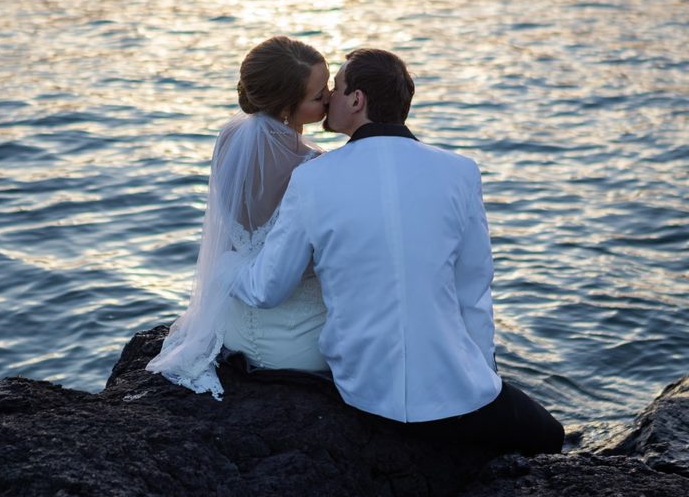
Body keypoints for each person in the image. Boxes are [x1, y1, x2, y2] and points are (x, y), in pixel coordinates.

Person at [230, 48, 564, 456]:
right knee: (551, 437)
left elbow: (267, 289)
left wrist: (227, 268)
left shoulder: (313, 179)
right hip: (457, 395)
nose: (330, 96)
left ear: (357, 100)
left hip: (365, 393)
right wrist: (482, 372)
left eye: (338, 87)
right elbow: (473, 289)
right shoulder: (460, 171)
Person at [147, 36, 332, 398]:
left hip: (229, 329)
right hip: (299, 345)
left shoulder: (231, 138)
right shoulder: (314, 166)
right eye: (318, 94)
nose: (329, 95)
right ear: (284, 108)